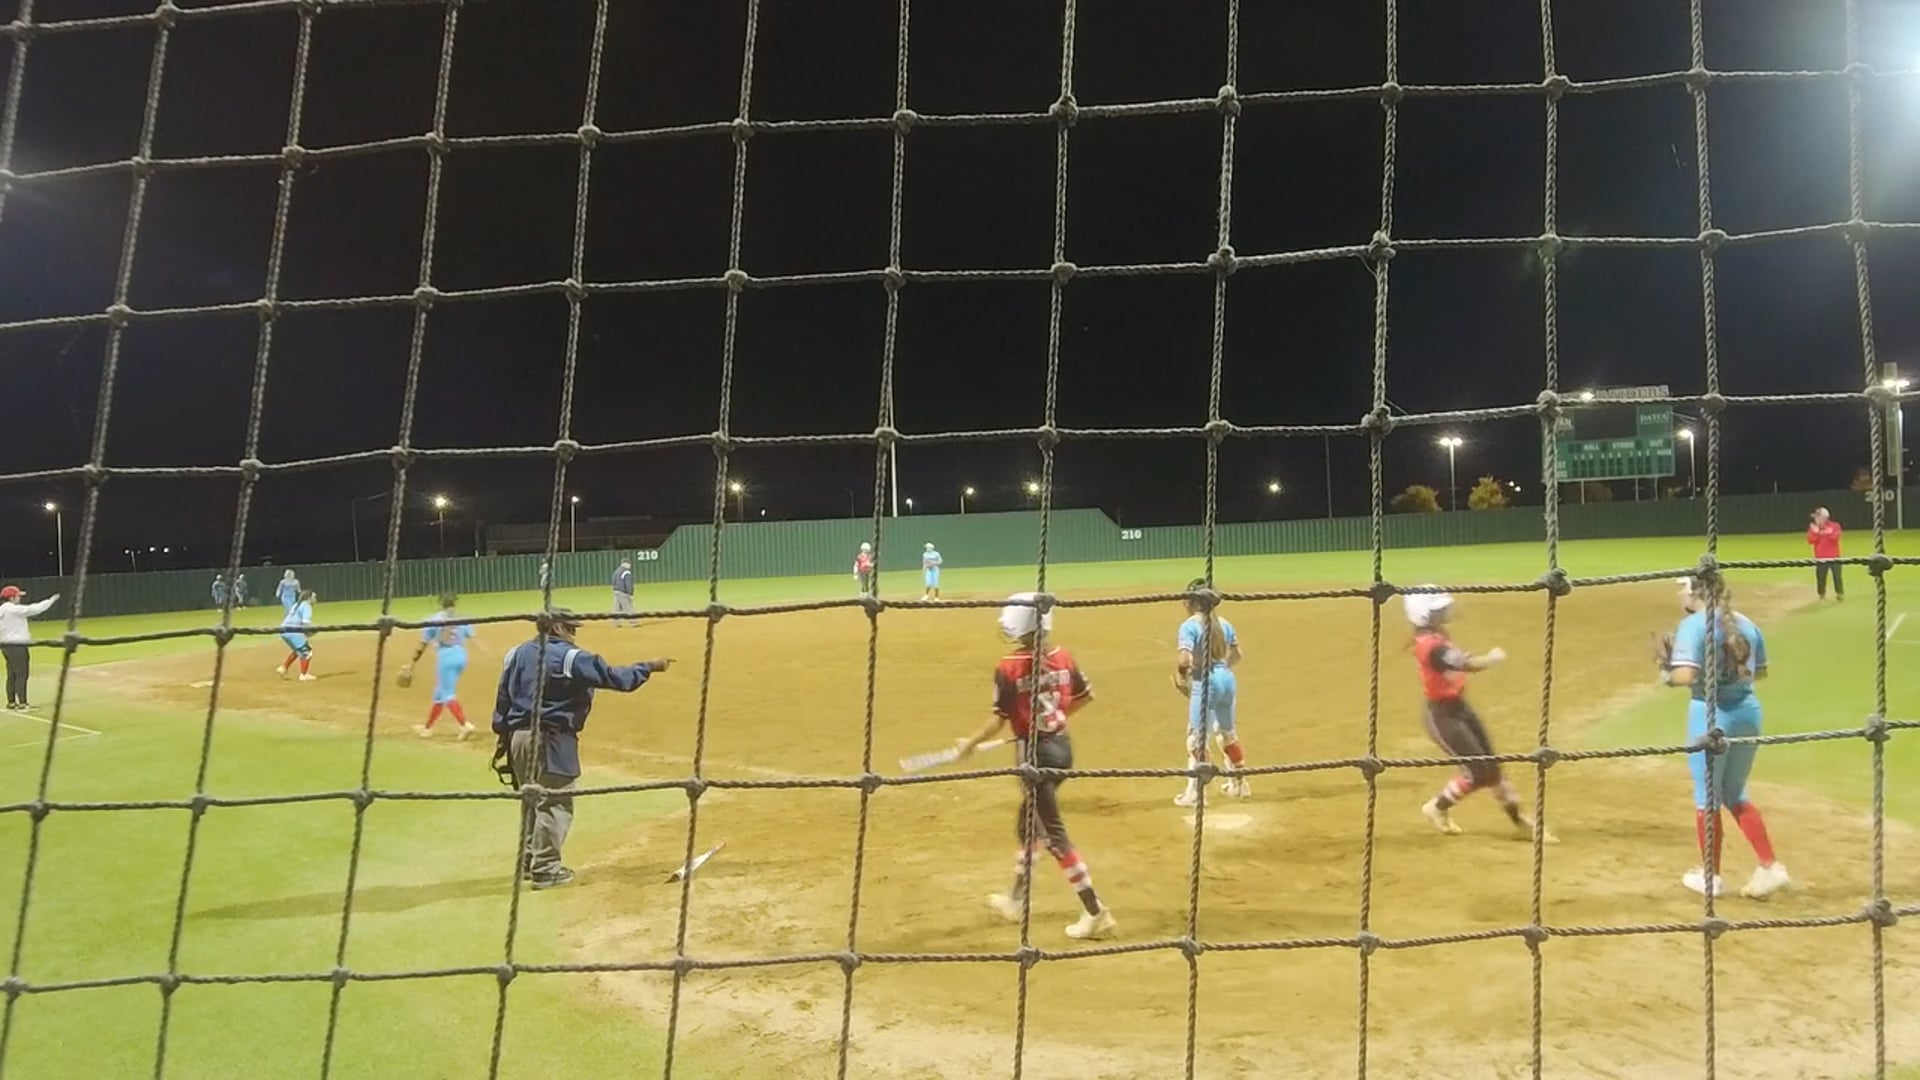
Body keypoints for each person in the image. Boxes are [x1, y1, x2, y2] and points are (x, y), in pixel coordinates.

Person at [951, 592, 1117, 941]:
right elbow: (1086, 696)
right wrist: (1052, 720)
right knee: (1029, 824)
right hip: (1061, 750)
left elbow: (998, 719)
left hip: (1034, 759)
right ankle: (1015, 899)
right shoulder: (1063, 656)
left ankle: (1094, 910)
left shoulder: (1008, 667)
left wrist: (969, 744)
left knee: (1053, 835)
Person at [490, 609, 674, 889]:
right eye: (570, 628)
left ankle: (529, 861)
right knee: (554, 803)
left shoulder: (515, 654)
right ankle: (546, 870)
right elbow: (615, 678)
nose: (574, 634)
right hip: (552, 739)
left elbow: (503, 699)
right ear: (557, 628)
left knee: (532, 801)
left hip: (518, 738)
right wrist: (648, 667)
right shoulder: (570, 657)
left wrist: (504, 736)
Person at [1657, 573, 1790, 899]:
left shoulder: (1693, 625)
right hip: (1748, 714)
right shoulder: (1746, 623)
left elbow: (1686, 675)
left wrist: (1666, 673)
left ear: (1696, 592)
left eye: (1683, 589)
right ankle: (1770, 867)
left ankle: (1711, 877)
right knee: (1734, 792)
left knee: (1707, 797)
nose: (1680, 595)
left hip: (1710, 716)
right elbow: (1760, 672)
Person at [1402, 588, 1552, 842]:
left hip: (1459, 708)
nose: (1444, 611)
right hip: (1442, 717)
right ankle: (1436, 807)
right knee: (1477, 772)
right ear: (1424, 614)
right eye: (1438, 609)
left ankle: (1520, 820)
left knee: (1492, 766)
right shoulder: (1430, 645)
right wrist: (1492, 658)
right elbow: (1467, 665)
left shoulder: (1436, 635)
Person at [1173, 578, 1247, 807]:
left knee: (1196, 739)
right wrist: (1221, 670)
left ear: (1193, 601)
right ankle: (1239, 785)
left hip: (1205, 681)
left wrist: (1184, 677)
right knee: (1227, 734)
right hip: (1227, 679)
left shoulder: (1189, 626)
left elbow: (1184, 660)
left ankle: (1195, 794)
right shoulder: (1223, 623)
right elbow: (1237, 654)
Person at [406, 593, 476, 740]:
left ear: (440, 604)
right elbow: (471, 636)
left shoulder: (433, 619)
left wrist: (412, 662)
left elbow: (423, 644)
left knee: (447, 694)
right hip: (461, 656)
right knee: (439, 694)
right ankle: (427, 728)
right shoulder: (461, 618)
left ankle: (464, 725)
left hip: (446, 657)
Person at [0, 586, 59, 712]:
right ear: (11, 598)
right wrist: (49, 601)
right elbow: (33, 609)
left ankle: (11, 702)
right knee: (22, 674)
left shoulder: (2, 610)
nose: (19, 598)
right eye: (18, 596)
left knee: (12, 674)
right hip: (17, 645)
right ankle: (23, 704)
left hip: (5, 645)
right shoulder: (12, 609)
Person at [276, 590, 318, 682]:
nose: (315, 600)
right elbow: (305, 623)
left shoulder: (296, 605)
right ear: (309, 598)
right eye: (314, 597)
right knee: (307, 651)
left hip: (284, 630)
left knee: (298, 650)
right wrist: (314, 630)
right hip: (293, 630)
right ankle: (304, 675)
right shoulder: (306, 605)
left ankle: (283, 668)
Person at [1807, 507, 1843, 601]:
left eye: (1818, 517)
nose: (1816, 519)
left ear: (1824, 517)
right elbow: (1811, 540)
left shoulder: (1835, 526)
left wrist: (1819, 532)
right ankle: (1821, 594)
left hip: (1834, 556)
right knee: (1821, 577)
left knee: (1837, 576)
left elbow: (1835, 538)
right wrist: (1822, 533)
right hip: (1820, 557)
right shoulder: (1813, 528)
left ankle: (1839, 593)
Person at [610, 560, 636, 628]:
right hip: (623, 592)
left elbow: (613, 581)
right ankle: (633, 622)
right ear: (625, 564)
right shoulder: (626, 572)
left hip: (616, 591)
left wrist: (615, 589)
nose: (630, 565)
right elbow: (628, 583)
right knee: (628, 607)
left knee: (617, 608)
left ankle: (616, 623)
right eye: (629, 564)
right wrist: (630, 593)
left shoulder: (617, 571)